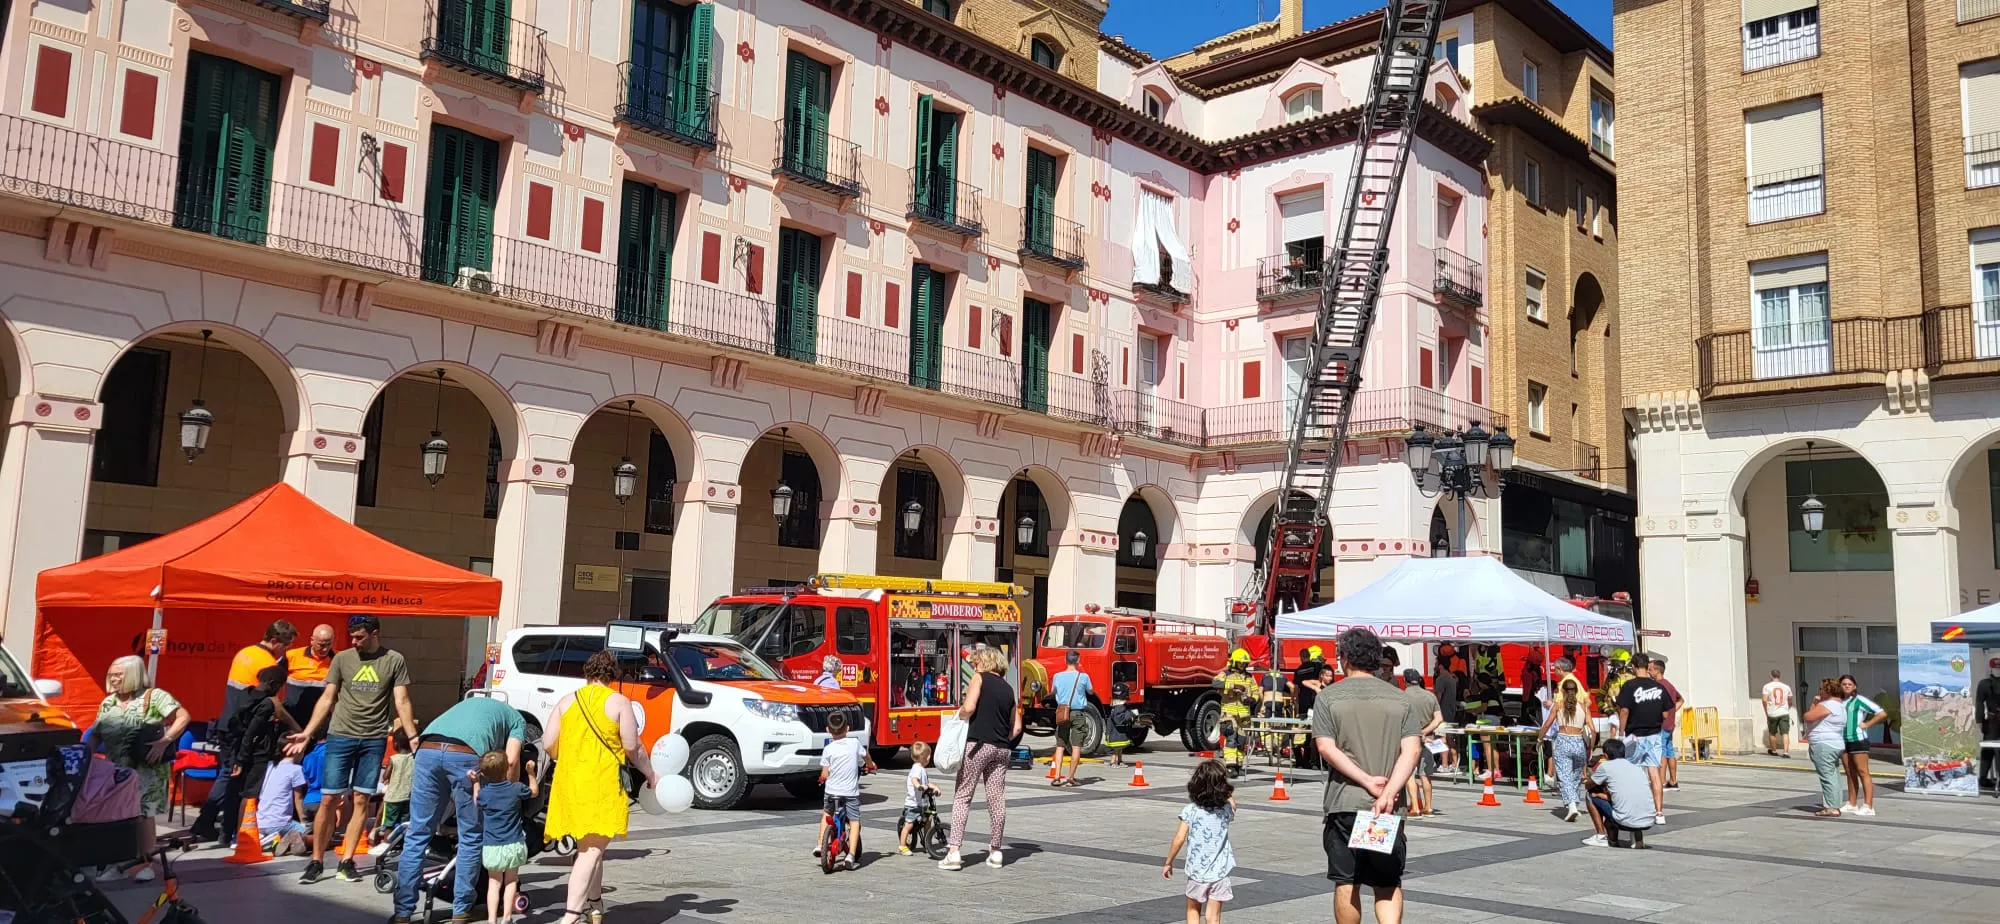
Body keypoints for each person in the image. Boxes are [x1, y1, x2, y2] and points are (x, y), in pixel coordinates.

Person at [287, 614, 416, 885]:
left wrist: (412, 736)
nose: (354, 642)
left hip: (373, 739)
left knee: (360, 800)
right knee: (328, 799)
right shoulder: (342, 659)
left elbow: (402, 700)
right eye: (352, 637)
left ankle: (347, 861)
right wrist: (307, 732)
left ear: (374, 633)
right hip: (340, 735)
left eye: (359, 637)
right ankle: (316, 862)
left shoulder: (394, 660)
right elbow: (327, 698)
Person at [393, 691, 534, 924]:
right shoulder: (517, 719)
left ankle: (403, 912)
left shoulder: (468, 704)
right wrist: (507, 796)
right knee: (470, 836)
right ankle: (461, 910)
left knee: (417, 832)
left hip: (428, 748)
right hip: (465, 755)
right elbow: (510, 761)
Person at [1313, 629, 1422, 924]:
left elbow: (1325, 747)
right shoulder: (1400, 699)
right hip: (1386, 808)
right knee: (1387, 883)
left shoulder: (1328, 697)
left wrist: (1365, 780)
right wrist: (1388, 792)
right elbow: (1412, 751)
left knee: (1347, 881)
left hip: (1345, 803)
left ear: (1345, 658)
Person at [540, 651, 656, 924]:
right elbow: (632, 746)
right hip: (601, 783)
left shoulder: (567, 701)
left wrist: (572, 755)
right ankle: (570, 916)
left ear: (587, 673)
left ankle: (595, 905)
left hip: (569, 782)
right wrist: (650, 774)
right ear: (613, 674)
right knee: (591, 851)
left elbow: (548, 743)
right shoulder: (618, 702)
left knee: (590, 848)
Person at [193, 620, 298, 842]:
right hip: (244, 727)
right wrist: (295, 727)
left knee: (228, 774)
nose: (286, 650)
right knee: (235, 779)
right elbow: (272, 702)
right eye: (286, 645)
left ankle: (213, 824)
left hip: (228, 721)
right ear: (274, 641)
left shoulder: (245, 653)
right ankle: (210, 823)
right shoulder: (267, 663)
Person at [91, 655, 190, 882]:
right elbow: (96, 733)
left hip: (147, 768)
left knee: (143, 814)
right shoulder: (108, 702)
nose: (113, 679)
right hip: (117, 769)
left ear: (133, 675)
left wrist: (165, 740)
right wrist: (85, 756)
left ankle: (145, 864)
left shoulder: (154, 697)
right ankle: (119, 864)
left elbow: (183, 716)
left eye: (119, 674)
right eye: (111, 674)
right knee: (118, 815)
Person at [939, 646, 1020, 871]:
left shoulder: (979, 678)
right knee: (996, 799)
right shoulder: (1008, 689)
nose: (974, 667)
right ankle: (996, 851)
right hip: (1001, 749)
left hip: (978, 745)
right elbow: (1016, 727)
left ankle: (954, 851)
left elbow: (969, 707)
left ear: (984, 662)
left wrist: (959, 716)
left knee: (963, 796)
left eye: (976, 663)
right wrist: (1001, 737)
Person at [1162, 759, 1236, 924]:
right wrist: (1227, 793)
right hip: (1220, 871)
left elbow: (1179, 838)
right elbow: (1234, 806)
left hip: (1197, 871)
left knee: (1193, 910)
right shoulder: (1225, 810)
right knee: (1213, 917)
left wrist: (1169, 862)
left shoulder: (1191, 810)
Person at [474, 750, 537, 924]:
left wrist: (475, 783)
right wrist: (531, 773)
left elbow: (476, 800)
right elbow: (534, 792)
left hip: (492, 846)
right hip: (513, 844)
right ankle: (507, 917)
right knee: (511, 881)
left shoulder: (484, 794)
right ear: (506, 769)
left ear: (484, 774)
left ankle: (492, 919)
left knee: (494, 883)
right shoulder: (516, 788)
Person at [1613, 658, 1671, 826]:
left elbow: (1624, 711)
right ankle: (1659, 813)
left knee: (1632, 772)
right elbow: (1666, 713)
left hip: (1634, 735)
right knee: (1654, 772)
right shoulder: (1659, 687)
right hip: (1654, 735)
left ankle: (1635, 809)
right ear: (1647, 666)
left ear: (1633, 666)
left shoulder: (1629, 686)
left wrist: (1621, 732)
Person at [814, 711, 873, 868]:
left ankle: (820, 844)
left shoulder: (828, 749)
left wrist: (822, 778)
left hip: (831, 792)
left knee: (827, 814)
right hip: (850, 794)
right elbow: (866, 756)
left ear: (828, 730)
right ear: (847, 728)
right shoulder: (854, 743)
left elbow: (825, 773)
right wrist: (871, 764)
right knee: (854, 821)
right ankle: (851, 855)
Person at [1538, 675, 1595, 822]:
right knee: (1576, 776)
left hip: (1563, 741)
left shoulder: (1558, 705)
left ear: (1562, 691)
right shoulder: (1584, 706)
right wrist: (1591, 748)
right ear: (1576, 691)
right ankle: (1575, 803)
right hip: (1578, 742)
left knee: (1564, 776)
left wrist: (1539, 739)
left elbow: (1547, 724)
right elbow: (1592, 729)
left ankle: (1572, 806)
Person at [1581, 738, 1655, 848]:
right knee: (1631, 799)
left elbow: (1588, 785)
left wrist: (1597, 790)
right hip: (1648, 820)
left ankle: (1601, 836)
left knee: (1590, 795)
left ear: (1605, 756)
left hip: (1625, 821)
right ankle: (1638, 839)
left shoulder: (1606, 766)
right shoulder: (1636, 767)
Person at [1838, 674, 1886, 816]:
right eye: (1844, 684)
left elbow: (1881, 713)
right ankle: (1852, 803)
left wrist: (1867, 724)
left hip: (1858, 739)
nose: (1847, 686)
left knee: (1862, 771)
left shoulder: (1859, 700)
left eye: (1849, 684)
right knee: (1849, 772)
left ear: (1854, 686)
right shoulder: (1839, 701)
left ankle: (1868, 805)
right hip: (1843, 740)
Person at [1799, 678, 1847, 818]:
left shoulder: (1828, 705)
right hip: (1836, 743)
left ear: (1828, 690)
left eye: (1821, 689)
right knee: (1833, 775)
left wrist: (1815, 703)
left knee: (1827, 776)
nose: (1819, 691)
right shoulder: (1840, 705)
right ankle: (1835, 803)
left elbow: (1808, 716)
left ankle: (1831, 807)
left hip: (1823, 743)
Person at [1400, 669, 1442, 818]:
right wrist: (1425, 731)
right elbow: (1438, 719)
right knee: (1425, 774)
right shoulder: (1430, 696)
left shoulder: (1402, 697)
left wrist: (1417, 733)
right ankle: (1428, 807)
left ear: (1404, 680)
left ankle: (1415, 808)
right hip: (1428, 739)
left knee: (1409, 774)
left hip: (1409, 739)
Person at [1050, 649, 1095, 787]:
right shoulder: (1084, 677)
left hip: (1062, 712)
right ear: (1078, 661)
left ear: (1065, 660)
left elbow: (1053, 692)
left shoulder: (1057, 676)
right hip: (1078, 713)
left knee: (1060, 745)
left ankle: (1057, 776)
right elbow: (1091, 691)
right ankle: (1070, 778)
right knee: (1076, 746)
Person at [256, 752, 311, 857]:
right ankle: (296, 838)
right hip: (281, 823)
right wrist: (303, 822)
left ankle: (272, 841)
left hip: (260, 822)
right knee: (315, 836)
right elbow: (298, 798)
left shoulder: (270, 766)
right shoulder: (296, 769)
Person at [283, 624, 337, 727]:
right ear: (312, 640)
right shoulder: (292, 656)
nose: (325, 649)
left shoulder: (338, 660)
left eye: (329, 644)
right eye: (321, 645)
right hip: (293, 718)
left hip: (323, 720)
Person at [1217, 649, 1256, 777]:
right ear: (1234, 662)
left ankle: (1239, 764)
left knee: (1241, 741)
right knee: (1231, 738)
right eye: (1240, 662)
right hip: (1229, 713)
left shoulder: (1249, 677)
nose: (1242, 665)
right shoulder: (1226, 674)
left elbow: (1256, 692)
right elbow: (1215, 682)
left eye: (1244, 663)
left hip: (1244, 715)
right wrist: (1234, 686)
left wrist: (1252, 699)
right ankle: (1230, 765)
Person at [898, 741, 939, 856]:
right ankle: (902, 846)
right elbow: (914, 780)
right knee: (909, 824)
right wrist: (918, 786)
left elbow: (927, 783)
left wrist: (935, 787)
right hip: (913, 804)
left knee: (928, 820)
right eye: (929, 755)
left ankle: (926, 841)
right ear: (926, 757)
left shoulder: (922, 769)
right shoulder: (916, 769)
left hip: (922, 803)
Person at [1649, 659, 1683, 790]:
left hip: (1662, 725)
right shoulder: (1670, 685)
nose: (1649, 672)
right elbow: (1681, 699)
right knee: (1670, 752)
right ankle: (1673, 781)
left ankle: (1662, 782)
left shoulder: (1658, 686)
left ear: (1657, 671)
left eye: (1650, 669)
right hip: (1670, 725)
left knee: (1661, 752)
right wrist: (1672, 711)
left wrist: (1667, 713)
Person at [379, 729, 415, 833]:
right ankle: (401, 840)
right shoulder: (414, 758)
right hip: (408, 796)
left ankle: (386, 840)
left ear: (395, 744)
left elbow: (385, 776)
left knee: (388, 824)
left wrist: (387, 778)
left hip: (393, 798)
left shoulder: (394, 759)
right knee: (404, 824)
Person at [1762, 669, 1794, 758]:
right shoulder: (1786, 687)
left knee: (1772, 732)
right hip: (1784, 712)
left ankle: (1774, 751)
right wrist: (1787, 707)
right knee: (1785, 733)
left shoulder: (1767, 686)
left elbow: (1764, 700)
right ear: (1779, 676)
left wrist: (1766, 710)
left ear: (1771, 676)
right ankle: (1786, 752)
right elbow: (1790, 700)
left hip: (1772, 712)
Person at [1979, 659, 2000, 790]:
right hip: (1991, 721)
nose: (1998, 670)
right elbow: (1979, 703)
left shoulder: (1984, 683)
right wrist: (1979, 720)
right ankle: (1983, 778)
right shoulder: (1984, 684)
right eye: (1996, 668)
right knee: (1987, 750)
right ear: (1991, 669)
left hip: (1992, 721)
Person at [1106, 683, 1138, 767]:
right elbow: (1119, 719)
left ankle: (1119, 761)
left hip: (1116, 732)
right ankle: (1113, 762)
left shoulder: (1116, 705)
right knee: (1116, 747)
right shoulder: (1120, 707)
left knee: (1119, 747)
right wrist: (1131, 714)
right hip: (1115, 733)